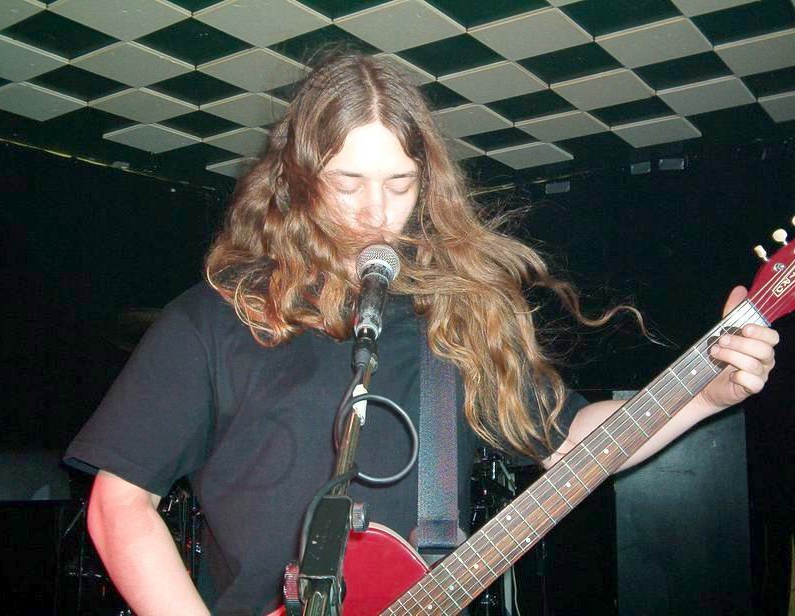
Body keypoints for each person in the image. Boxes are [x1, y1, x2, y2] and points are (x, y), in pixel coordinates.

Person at [64, 52, 779, 616]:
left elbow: (569, 442)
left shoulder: (456, 317)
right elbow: (120, 505)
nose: (376, 212)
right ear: (299, 179)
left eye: (400, 184)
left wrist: (705, 395)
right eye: (348, 183)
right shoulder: (214, 319)